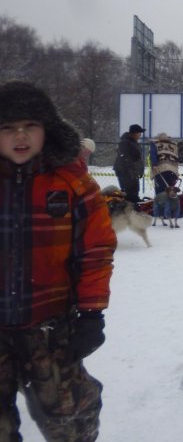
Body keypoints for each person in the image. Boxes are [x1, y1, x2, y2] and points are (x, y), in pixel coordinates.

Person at [0, 80, 117, 441]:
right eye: (7, 128)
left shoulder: (72, 183)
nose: (20, 136)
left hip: (50, 327)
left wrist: (91, 313)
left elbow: (95, 250)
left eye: (30, 126)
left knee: (68, 416)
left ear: (46, 130)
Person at [113, 123, 145, 203]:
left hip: (132, 173)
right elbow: (127, 160)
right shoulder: (126, 143)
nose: (140, 135)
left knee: (133, 192)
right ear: (134, 133)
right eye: (139, 133)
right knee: (129, 194)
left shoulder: (133, 142)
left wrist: (139, 171)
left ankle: (133, 206)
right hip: (126, 173)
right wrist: (132, 173)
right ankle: (129, 209)